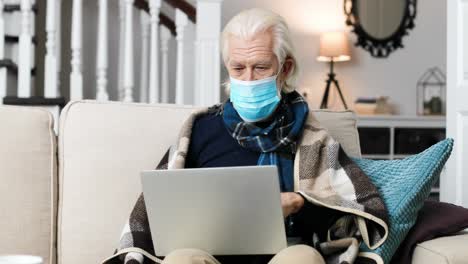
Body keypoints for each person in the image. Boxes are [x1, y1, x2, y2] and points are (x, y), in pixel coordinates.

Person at [104, 8, 389, 264]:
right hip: (210, 256)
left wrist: (299, 203)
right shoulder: (200, 129)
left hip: (285, 253)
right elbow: (157, 209)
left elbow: (351, 213)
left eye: (261, 67)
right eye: (238, 68)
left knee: (304, 258)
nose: (249, 79)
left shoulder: (314, 138)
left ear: (284, 68)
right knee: (180, 259)